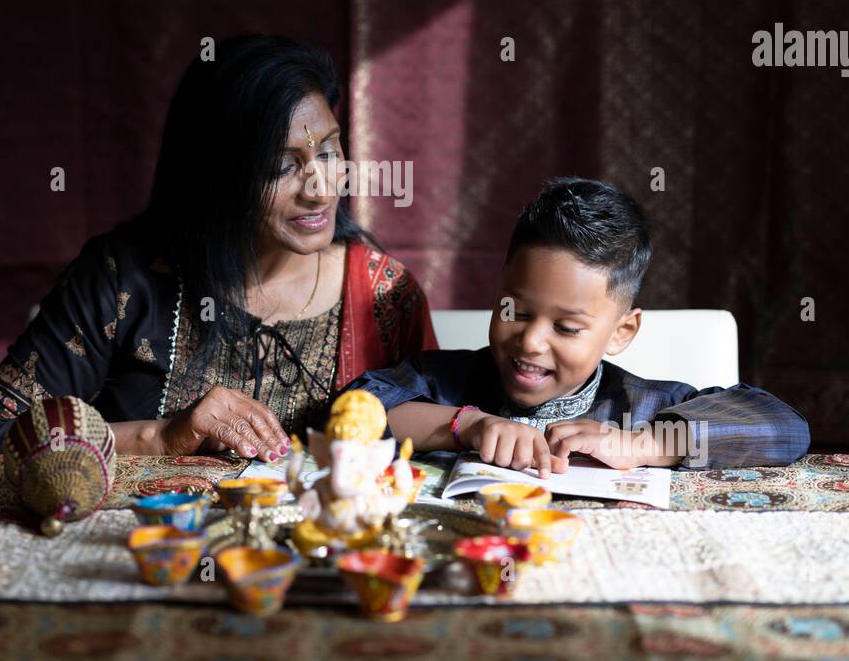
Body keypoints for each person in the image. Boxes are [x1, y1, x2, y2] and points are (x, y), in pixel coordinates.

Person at [0, 34, 437, 458]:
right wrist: (159, 437)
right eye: (281, 166)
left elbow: (438, 454)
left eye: (328, 151)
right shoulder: (122, 278)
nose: (322, 189)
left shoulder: (384, 297)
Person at [342, 177, 811, 474]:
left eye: (566, 327)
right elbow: (357, 408)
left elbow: (786, 428)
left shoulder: (645, 407)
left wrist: (644, 444)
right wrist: (466, 425)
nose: (530, 340)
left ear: (621, 332)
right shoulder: (441, 383)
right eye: (516, 311)